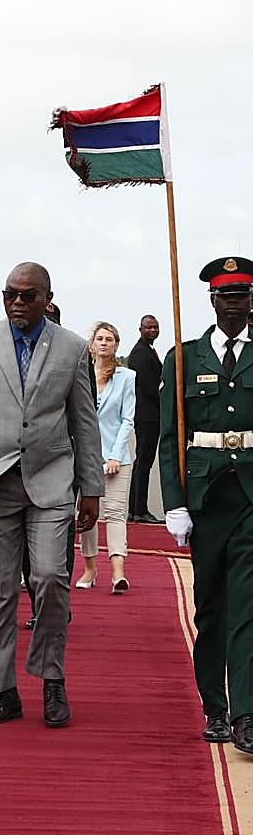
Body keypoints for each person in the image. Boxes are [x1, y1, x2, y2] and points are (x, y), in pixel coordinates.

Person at [0, 262, 102, 729]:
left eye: (27, 296)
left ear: (47, 299)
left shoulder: (72, 348)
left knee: (50, 577)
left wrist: (91, 487)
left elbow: (84, 422)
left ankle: (52, 678)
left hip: (51, 480)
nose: (16, 302)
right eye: (9, 294)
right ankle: (4, 690)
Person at [160, 256, 253, 752]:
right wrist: (174, 502)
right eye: (225, 296)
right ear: (212, 302)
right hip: (206, 497)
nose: (233, 304)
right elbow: (169, 438)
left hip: (250, 495)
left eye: (241, 296)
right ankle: (215, 708)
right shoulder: (184, 358)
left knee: (247, 605)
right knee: (211, 606)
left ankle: (246, 714)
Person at [75, 321, 136, 594]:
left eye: (109, 339)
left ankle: (118, 572)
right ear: (92, 344)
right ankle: (90, 568)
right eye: (99, 338)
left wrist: (114, 456)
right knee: (87, 513)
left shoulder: (127, 377)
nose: (103, 343)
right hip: (85, 457)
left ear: (116, 345)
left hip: (117, 457)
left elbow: (127, 419)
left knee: (115, 513)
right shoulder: (80, 373)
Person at [128, 314, 162, 523]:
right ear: (140, 329)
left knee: (143, 462)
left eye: (155, 327)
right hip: (147, 415)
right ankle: (139, 510)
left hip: (148, 414)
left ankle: (136, 509)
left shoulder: (148, 350)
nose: (152, 330)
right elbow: (149, 388)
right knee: (143, 462)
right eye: (148, 327)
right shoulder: (141, 353)